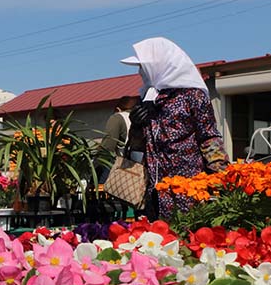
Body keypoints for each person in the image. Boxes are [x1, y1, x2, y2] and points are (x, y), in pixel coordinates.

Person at [121, 37, 229, 219]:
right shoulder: (146, 98)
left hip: (188, 189)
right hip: (153, 191)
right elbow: (137, 148)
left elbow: (209, 137)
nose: (140, 72)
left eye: (143, 66)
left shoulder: (192, 96)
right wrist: (136, 127)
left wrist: (222, 179)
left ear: (159, 65)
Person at [96, 95, 139, 183]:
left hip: (126, 167)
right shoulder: (144, 117)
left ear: (118, 109)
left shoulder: (118, 118)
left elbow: (108, 146)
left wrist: (96, 161)